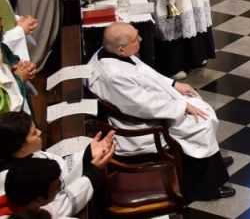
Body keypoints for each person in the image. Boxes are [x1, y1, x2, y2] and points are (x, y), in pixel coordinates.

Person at [86, 23, 234, 200]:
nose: (140, 39)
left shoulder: (111, 53)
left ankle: (212, 163)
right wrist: (181, 107)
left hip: (149, 108)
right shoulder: (114, 75)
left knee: (199, 110)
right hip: (139, 126)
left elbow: (146, 74)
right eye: (136, 39)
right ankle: (205, 186)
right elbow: (142, 105)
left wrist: (172, 84)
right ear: (121, 49)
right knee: (201, 124)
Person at [0, 111, 113, 216]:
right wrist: (91, 172)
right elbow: (54, 209)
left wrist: (88, 154)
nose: (40, 133)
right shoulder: (12, 180)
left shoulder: (32, 154)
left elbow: (63, 169)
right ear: (20, 145)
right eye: (34, 133)